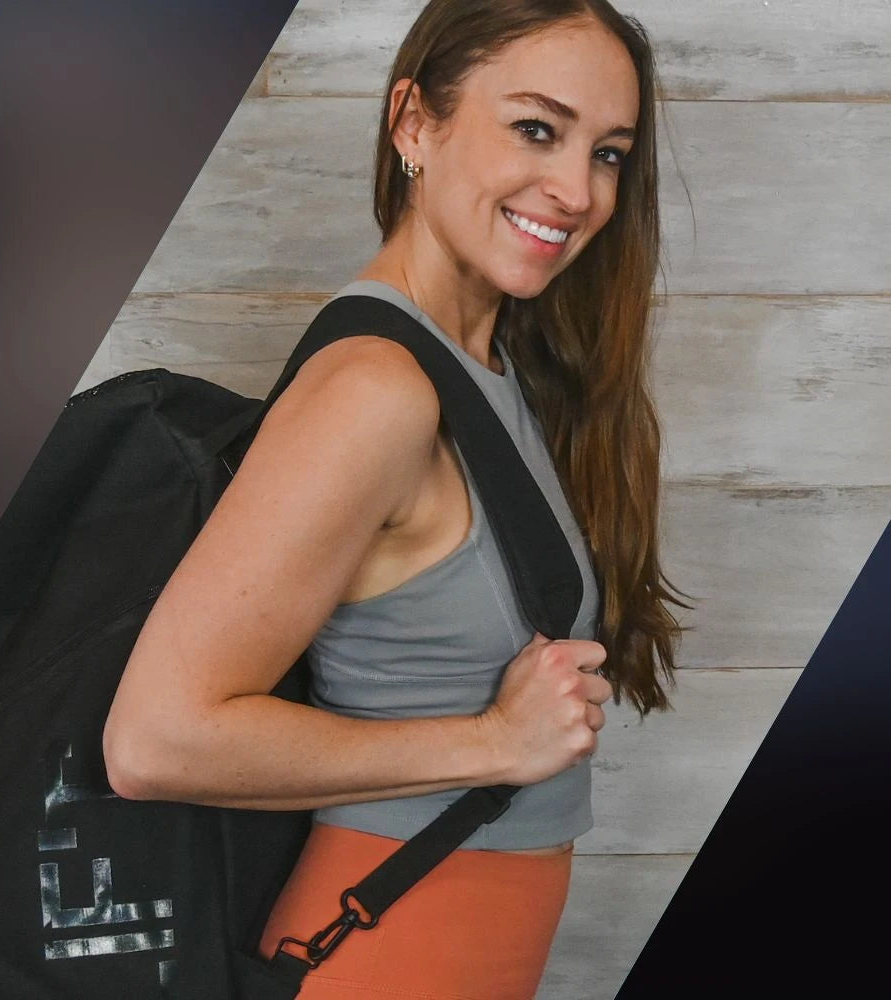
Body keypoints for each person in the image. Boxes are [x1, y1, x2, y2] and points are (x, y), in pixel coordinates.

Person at [101, 2, 688, 998]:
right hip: (381, 950)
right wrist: (494, 743)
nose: (576, 187)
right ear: (415, 122)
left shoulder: (487, 367)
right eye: (537, 129)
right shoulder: (376, 390)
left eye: (609, 152)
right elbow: (156, 738)